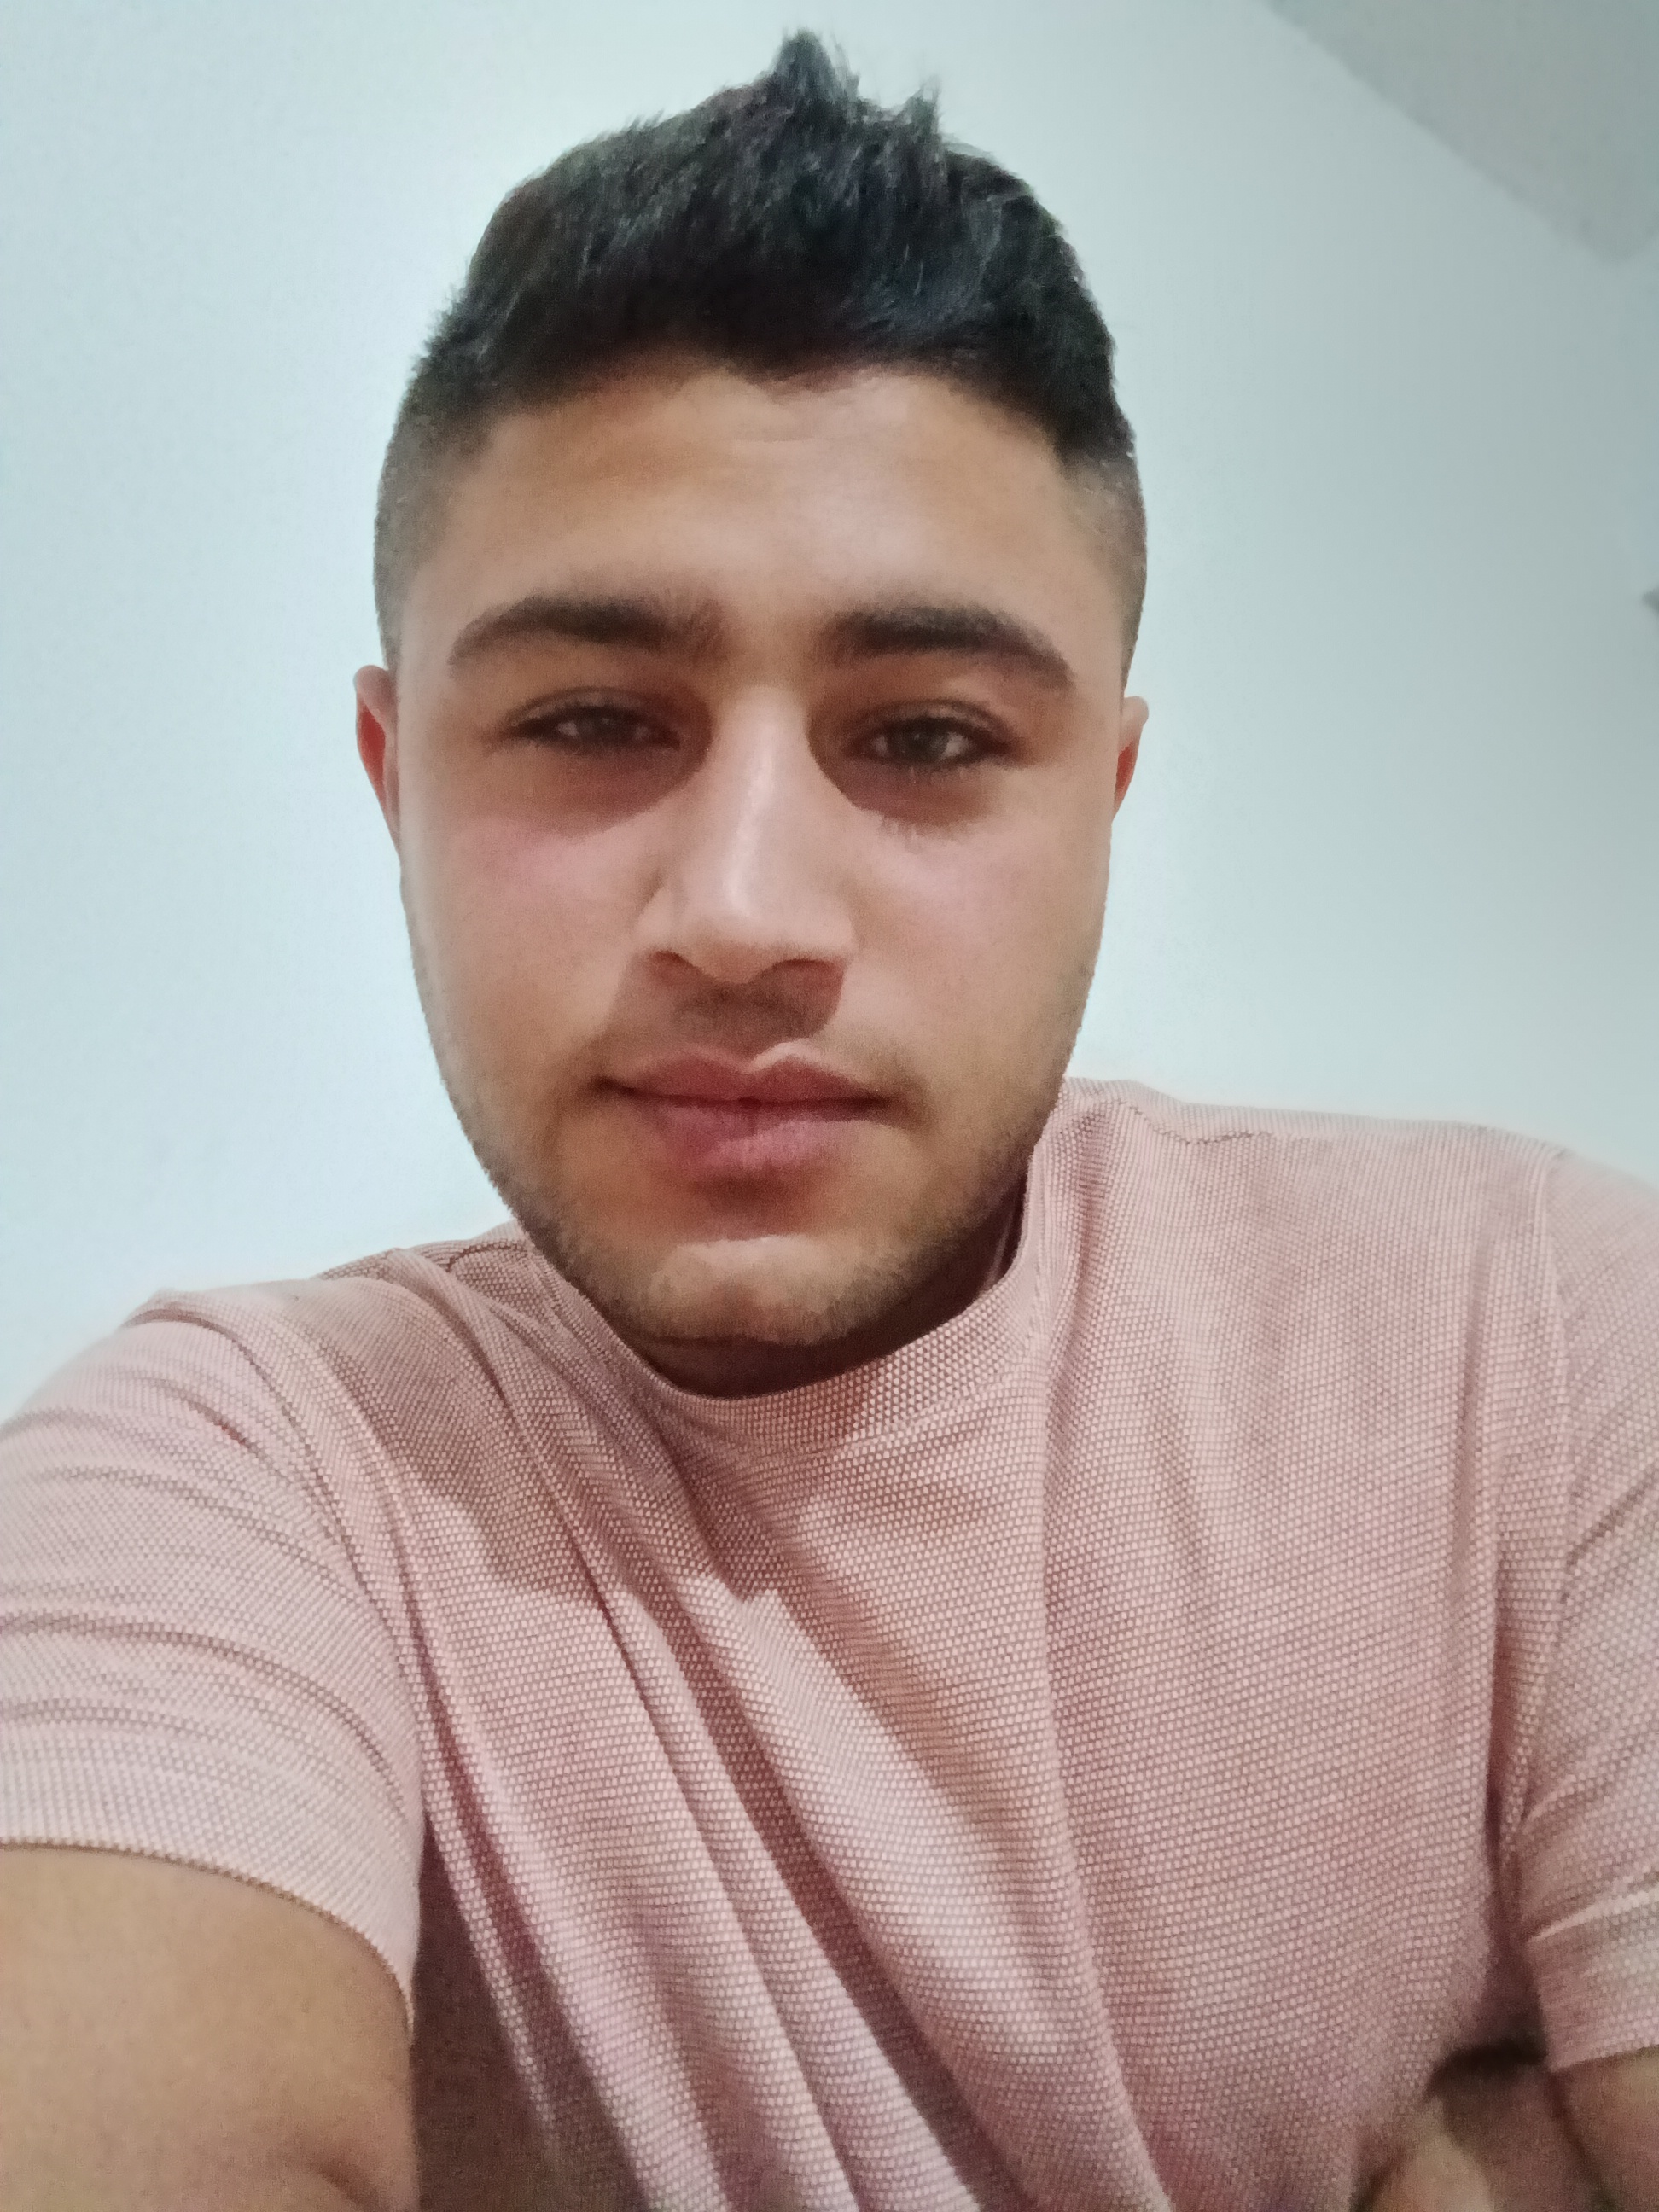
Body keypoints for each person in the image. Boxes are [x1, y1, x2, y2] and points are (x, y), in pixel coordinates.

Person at [1, 32, 1654, 2212]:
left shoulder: (1538, 1352)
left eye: (929, 737)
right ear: (399, 783)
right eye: (596, 721)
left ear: (1105, 803)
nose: (748, 916)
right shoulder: (226, 1482)